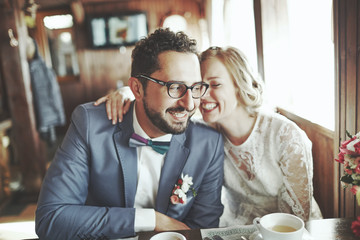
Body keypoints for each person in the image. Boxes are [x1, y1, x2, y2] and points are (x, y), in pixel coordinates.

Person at [95, 46, 323, 227]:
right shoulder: (206, 130)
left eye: (214, 84)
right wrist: (126, 92)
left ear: (239, 85)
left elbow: (297, 219)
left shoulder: (285, 136)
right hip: (234, 227)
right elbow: (158, 103)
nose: (200, 97)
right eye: (197, 87)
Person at [35, 28, 224, 240]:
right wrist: (152, 220)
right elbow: (51, 219)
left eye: (196, 87)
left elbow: (202, 230)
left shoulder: (208, 144)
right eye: (175, 87)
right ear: (137, 88)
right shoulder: (90, 125)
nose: (189, 104)